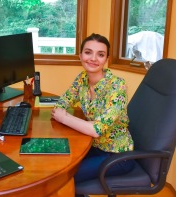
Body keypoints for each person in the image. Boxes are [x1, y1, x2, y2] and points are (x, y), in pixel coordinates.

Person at [51, 33, 135, 184]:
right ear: (80, 55)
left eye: (100, 54)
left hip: (117, 155)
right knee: (56, 163)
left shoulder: (117, 86)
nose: (93, 58)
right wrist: (62, 112)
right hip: (92, 146)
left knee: (65, 176)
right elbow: (62, 102)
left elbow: (96, 130)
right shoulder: (82, 78)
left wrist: (65, 117)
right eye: (88, 52)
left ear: (106, 59)